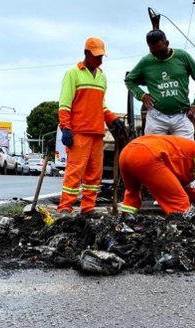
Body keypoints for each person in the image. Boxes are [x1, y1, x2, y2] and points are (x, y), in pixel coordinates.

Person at [57, 37, 125, 214]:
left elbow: (101, 106)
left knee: (94, 174)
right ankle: (65, 206)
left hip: (97, 132)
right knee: (75, 171)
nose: (99, 60)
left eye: (102, 56)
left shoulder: (102, 77)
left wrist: (112, 119)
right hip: (79, 132)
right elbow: (64, 104)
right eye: (96, 56)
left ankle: (88, 207)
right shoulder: (73, 73)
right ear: (86, 53)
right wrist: (65, 128)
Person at [124, 30, 195, 139]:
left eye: (161, 51)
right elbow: (129, 80)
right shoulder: (146, 61)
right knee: (153, 151)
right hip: (156, 116)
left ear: (167, 43)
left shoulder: (182, 56)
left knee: (185, 152)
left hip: (181, 115)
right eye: (154, 52)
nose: (158, 55)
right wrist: (142, 95)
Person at [118, 135, 195, 215]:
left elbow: (185, 190)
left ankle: (125, 221)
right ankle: (178, 235)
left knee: (132, 194)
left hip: (126, 152)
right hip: (147, 155)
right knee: (179, 201)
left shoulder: (185, 157)